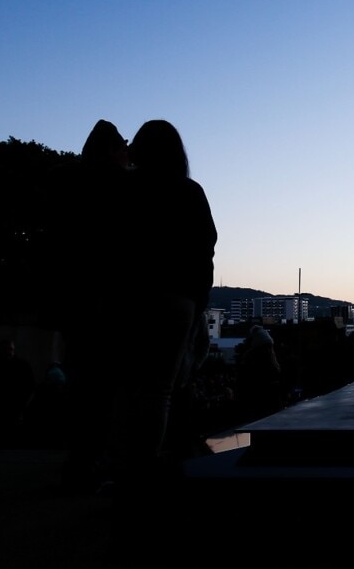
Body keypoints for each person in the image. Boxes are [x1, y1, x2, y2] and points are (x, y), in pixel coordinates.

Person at [113, 119, 217, 489]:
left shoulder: (123, 190)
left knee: (128, 384)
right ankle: (147, 464)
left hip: (129, 296)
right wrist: (199, 301)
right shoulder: (189, 191)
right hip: (178, 298)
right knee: (161, 388)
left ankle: (125, 464)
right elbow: (205, 249)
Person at [45, 119, 130, 492]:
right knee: (106, 384)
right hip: (109, 295)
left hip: (70, 293)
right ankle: (94, 459)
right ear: (113, 149)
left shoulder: (60, 179)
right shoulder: (121, 183)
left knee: (82, 378)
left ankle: (80, 459)